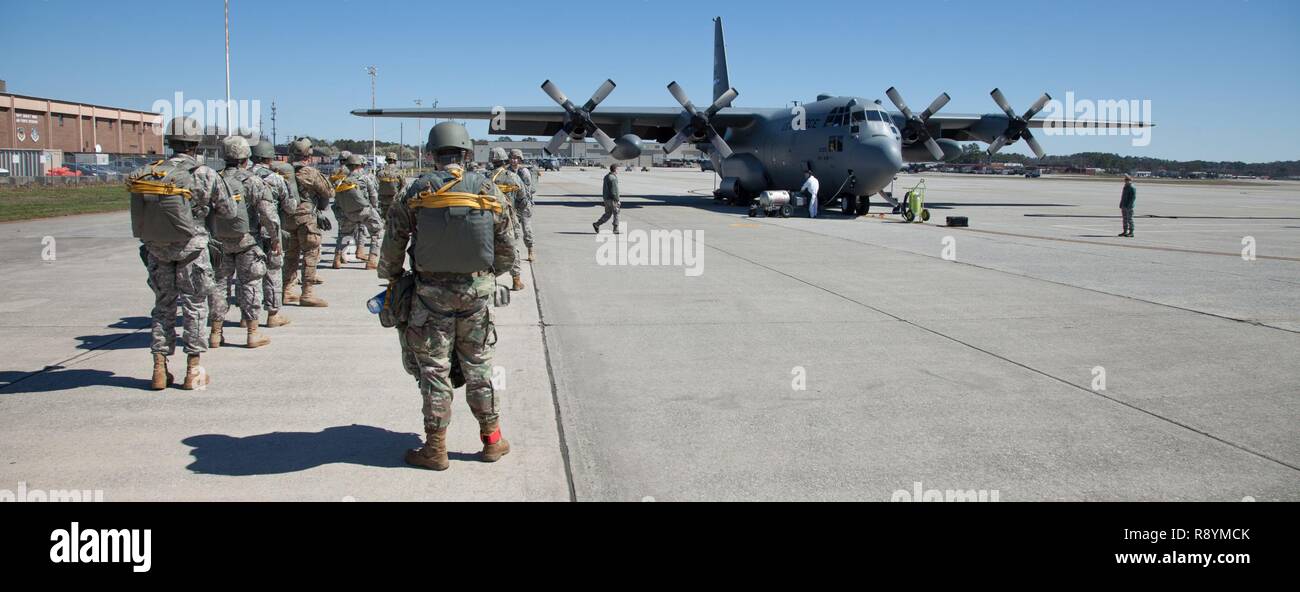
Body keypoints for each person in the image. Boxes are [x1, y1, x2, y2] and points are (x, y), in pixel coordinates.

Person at [378, 121, 516, 471]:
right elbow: (507, 252)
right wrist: (482, 278)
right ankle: (492, 441)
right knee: (479, 368)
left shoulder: (415, 190)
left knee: (434, 371)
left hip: (429, 299)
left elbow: (393, 244)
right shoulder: (489, 189)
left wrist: (394, 278)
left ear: (431, 154)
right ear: (467, 153)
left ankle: (435, 448)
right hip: (475, 298)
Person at [127, 116, 237, 390]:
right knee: (195, 307)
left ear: (169, 141)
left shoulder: (148, 172)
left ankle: (159, 369)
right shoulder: (203, 174)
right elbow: (229, 212)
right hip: (192, 250)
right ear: (195, 144)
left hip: (157, 250)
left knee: (163, 306)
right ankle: (193, 370)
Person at [208, 136, 275, 349]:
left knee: (219, 285)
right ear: (246, 158)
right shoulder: (253, 181)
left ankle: (215, 333)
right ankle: (252, 333)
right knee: (250, 284)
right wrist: (275, 238)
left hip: (219, 241)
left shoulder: (213, 179)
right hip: (247, 241)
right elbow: (267, 214)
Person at [281, 138, 334, 307]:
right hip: (306, 220)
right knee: (311, 255)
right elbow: (328, 191)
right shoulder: (309, 173)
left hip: (287, 220)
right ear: (308, 155)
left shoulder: (283, 172)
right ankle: (307, 293)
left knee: (290, 256)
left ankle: (287, 291)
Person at [249, 139, 292, 328]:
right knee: (273, 271)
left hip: (247, 232)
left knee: (247, 277)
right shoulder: (275, 178)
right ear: (270, 157)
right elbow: (290, 207)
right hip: (269, 231)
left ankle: (247, 318)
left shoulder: (242, 176)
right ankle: (273, 314)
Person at [332, 154, 383, 270]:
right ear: (360, 165)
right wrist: (374, 209)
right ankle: (372, 261)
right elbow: (373, 195)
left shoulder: (341, 181)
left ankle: (337, 259)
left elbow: (337, 201)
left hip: (348, 213)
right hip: (364, 210)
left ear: (348, 166)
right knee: (377, 232)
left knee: (344, 235)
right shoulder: (365, 178)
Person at [488, 147, 527, 291]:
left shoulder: (485, 178)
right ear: (505, 160)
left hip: (490, 220)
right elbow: (523, 199)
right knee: (513, 249)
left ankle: (490, 280)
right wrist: (517, 213)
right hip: (510, 220)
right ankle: (516, 281)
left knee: (489, 249)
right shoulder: (513, 177)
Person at [509, 148, 536, 261]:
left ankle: (530, 250)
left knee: (527, 229)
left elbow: (527, 189)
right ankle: (514, 253)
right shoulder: (507, 171)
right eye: (512, 158)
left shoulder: (524, 172)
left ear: (520, 160)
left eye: (516, 158)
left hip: (524, 204)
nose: (514, 160)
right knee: (513, 231)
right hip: (512, 205)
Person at [593, 163, 620, 234]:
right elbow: (614, 191)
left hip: (606, 199)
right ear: (615, 169)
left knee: (607, 214)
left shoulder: (606, 176)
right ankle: (615, 229)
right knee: (616, 213)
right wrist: (617, 200)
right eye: (617, 169)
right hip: (612, 199)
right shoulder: (613, 178)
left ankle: (597, 224)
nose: (618, 171)